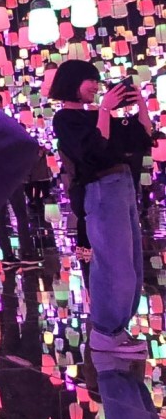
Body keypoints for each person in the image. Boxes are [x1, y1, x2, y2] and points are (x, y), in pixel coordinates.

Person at [49, 60, 151, 358]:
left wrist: (139, 103)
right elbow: (93, 150)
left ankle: (118, 329)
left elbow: (143, 137)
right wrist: (105, 111)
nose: (95, 86)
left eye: (96, 80)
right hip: (101, 189)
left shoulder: (98, 113)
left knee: (131, 264)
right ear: (71, 83)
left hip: (124, 187)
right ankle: (106, 332)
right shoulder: (65, 119)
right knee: (112, 264)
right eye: (88, 81)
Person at [0, 90, 39, 268]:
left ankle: (7, 255)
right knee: (21, 214)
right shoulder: (4, 122)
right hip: (10, 175)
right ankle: (27, 252)